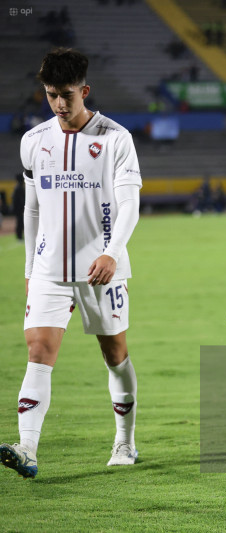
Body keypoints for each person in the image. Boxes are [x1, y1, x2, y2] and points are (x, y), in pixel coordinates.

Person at [1, 48, 142, 479]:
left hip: (101, 268)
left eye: (66, 95)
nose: (59, 104)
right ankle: (27, 446)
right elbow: (31, 209)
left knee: (114, 353)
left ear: (84, 90)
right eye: (50, 95)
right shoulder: (34, 141)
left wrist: (111, 253)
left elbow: (129, 205)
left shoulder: (115, 139)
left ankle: (125, 440)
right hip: (49, 270)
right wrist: (29, 269)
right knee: (38, 352)